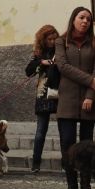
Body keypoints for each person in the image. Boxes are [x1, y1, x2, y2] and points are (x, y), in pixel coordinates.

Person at [54, 7, 95, 189]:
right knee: (67, 145)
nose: (85, 21)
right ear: (73, 19)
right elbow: (63, 67)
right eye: (81, 17)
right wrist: (89, 80)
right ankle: (71, 187)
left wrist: (91, 94)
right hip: (67, 101)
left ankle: (86, 188)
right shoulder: (61, 41)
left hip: (89, 101)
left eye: (88, 19)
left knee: (86, 146)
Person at [25, 24, 60, 173]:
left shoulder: (61, 50)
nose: (52, 41)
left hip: (60, 92)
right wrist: (41, 63)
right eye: (49, 39)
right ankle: (36, 163)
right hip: (43, 94)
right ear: (43, 40)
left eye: (54, 38)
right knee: (41, 130)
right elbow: (28, 71)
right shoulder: (38, 53)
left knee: (64, 129)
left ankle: (68, 162)